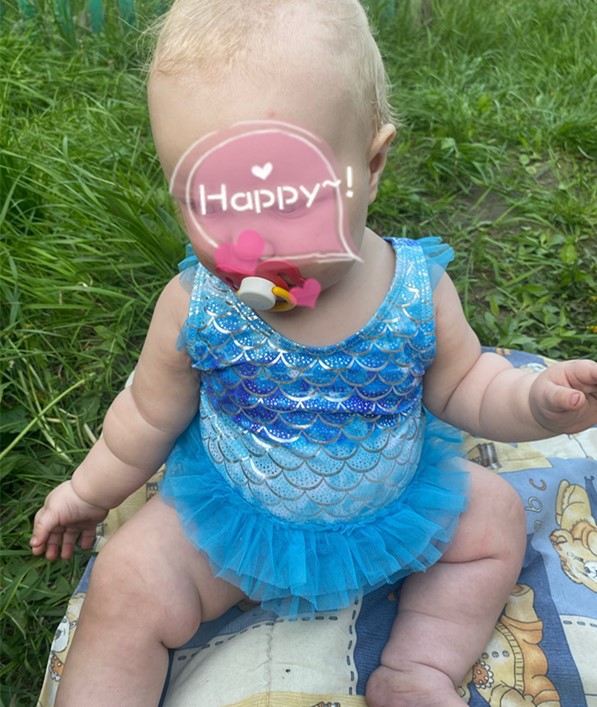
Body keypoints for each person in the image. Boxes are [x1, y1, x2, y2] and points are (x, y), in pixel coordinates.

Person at [30, 1, 597, 705]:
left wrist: (536, 402)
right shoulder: (195, 303)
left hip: (392, 512)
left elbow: (467, 386)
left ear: (372, 163)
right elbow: (145, 416)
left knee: (493, 520)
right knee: (127, 579)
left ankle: (417, 667)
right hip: (239, 526)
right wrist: (86, 493)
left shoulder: (416, 290)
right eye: (210, 201)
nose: (247, 243)